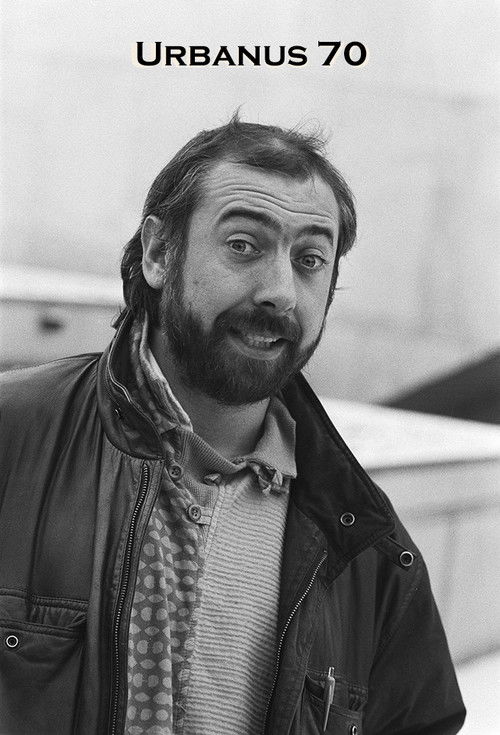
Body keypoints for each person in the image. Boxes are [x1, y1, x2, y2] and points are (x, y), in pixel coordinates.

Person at [0, 116, 465, 735]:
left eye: (309, 260)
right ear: (159, 253)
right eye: (244, 245)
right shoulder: (16, 435)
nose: (280, 291)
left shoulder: (365, 546)